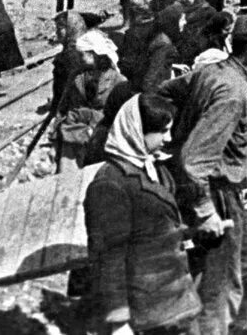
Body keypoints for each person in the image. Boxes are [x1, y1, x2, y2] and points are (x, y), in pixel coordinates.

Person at [157, 13, 247, 335]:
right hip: (213, 193)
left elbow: (166, 89)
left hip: (221, 190)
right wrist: (205, 213)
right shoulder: (232, 92)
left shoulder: (210, 72)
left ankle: (239, 324)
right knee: (221, 281)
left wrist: (184, 124)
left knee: (245, 259)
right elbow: (194, 161)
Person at [83, 93, 201, 335]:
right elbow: (108, 256)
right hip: (148, 313)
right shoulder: (111, 183)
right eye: (162, 131)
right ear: (137, 130)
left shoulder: (152, 168)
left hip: (175, 300)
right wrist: (118, 321)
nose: (168, 138)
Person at [55, 30, 125, 173]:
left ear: (95, 54)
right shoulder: (76, 76)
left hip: (102, 133)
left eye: (83, 54)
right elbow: (64, 104)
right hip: (76, 132)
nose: (79, 58)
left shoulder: (117, 79)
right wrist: (58, 126)